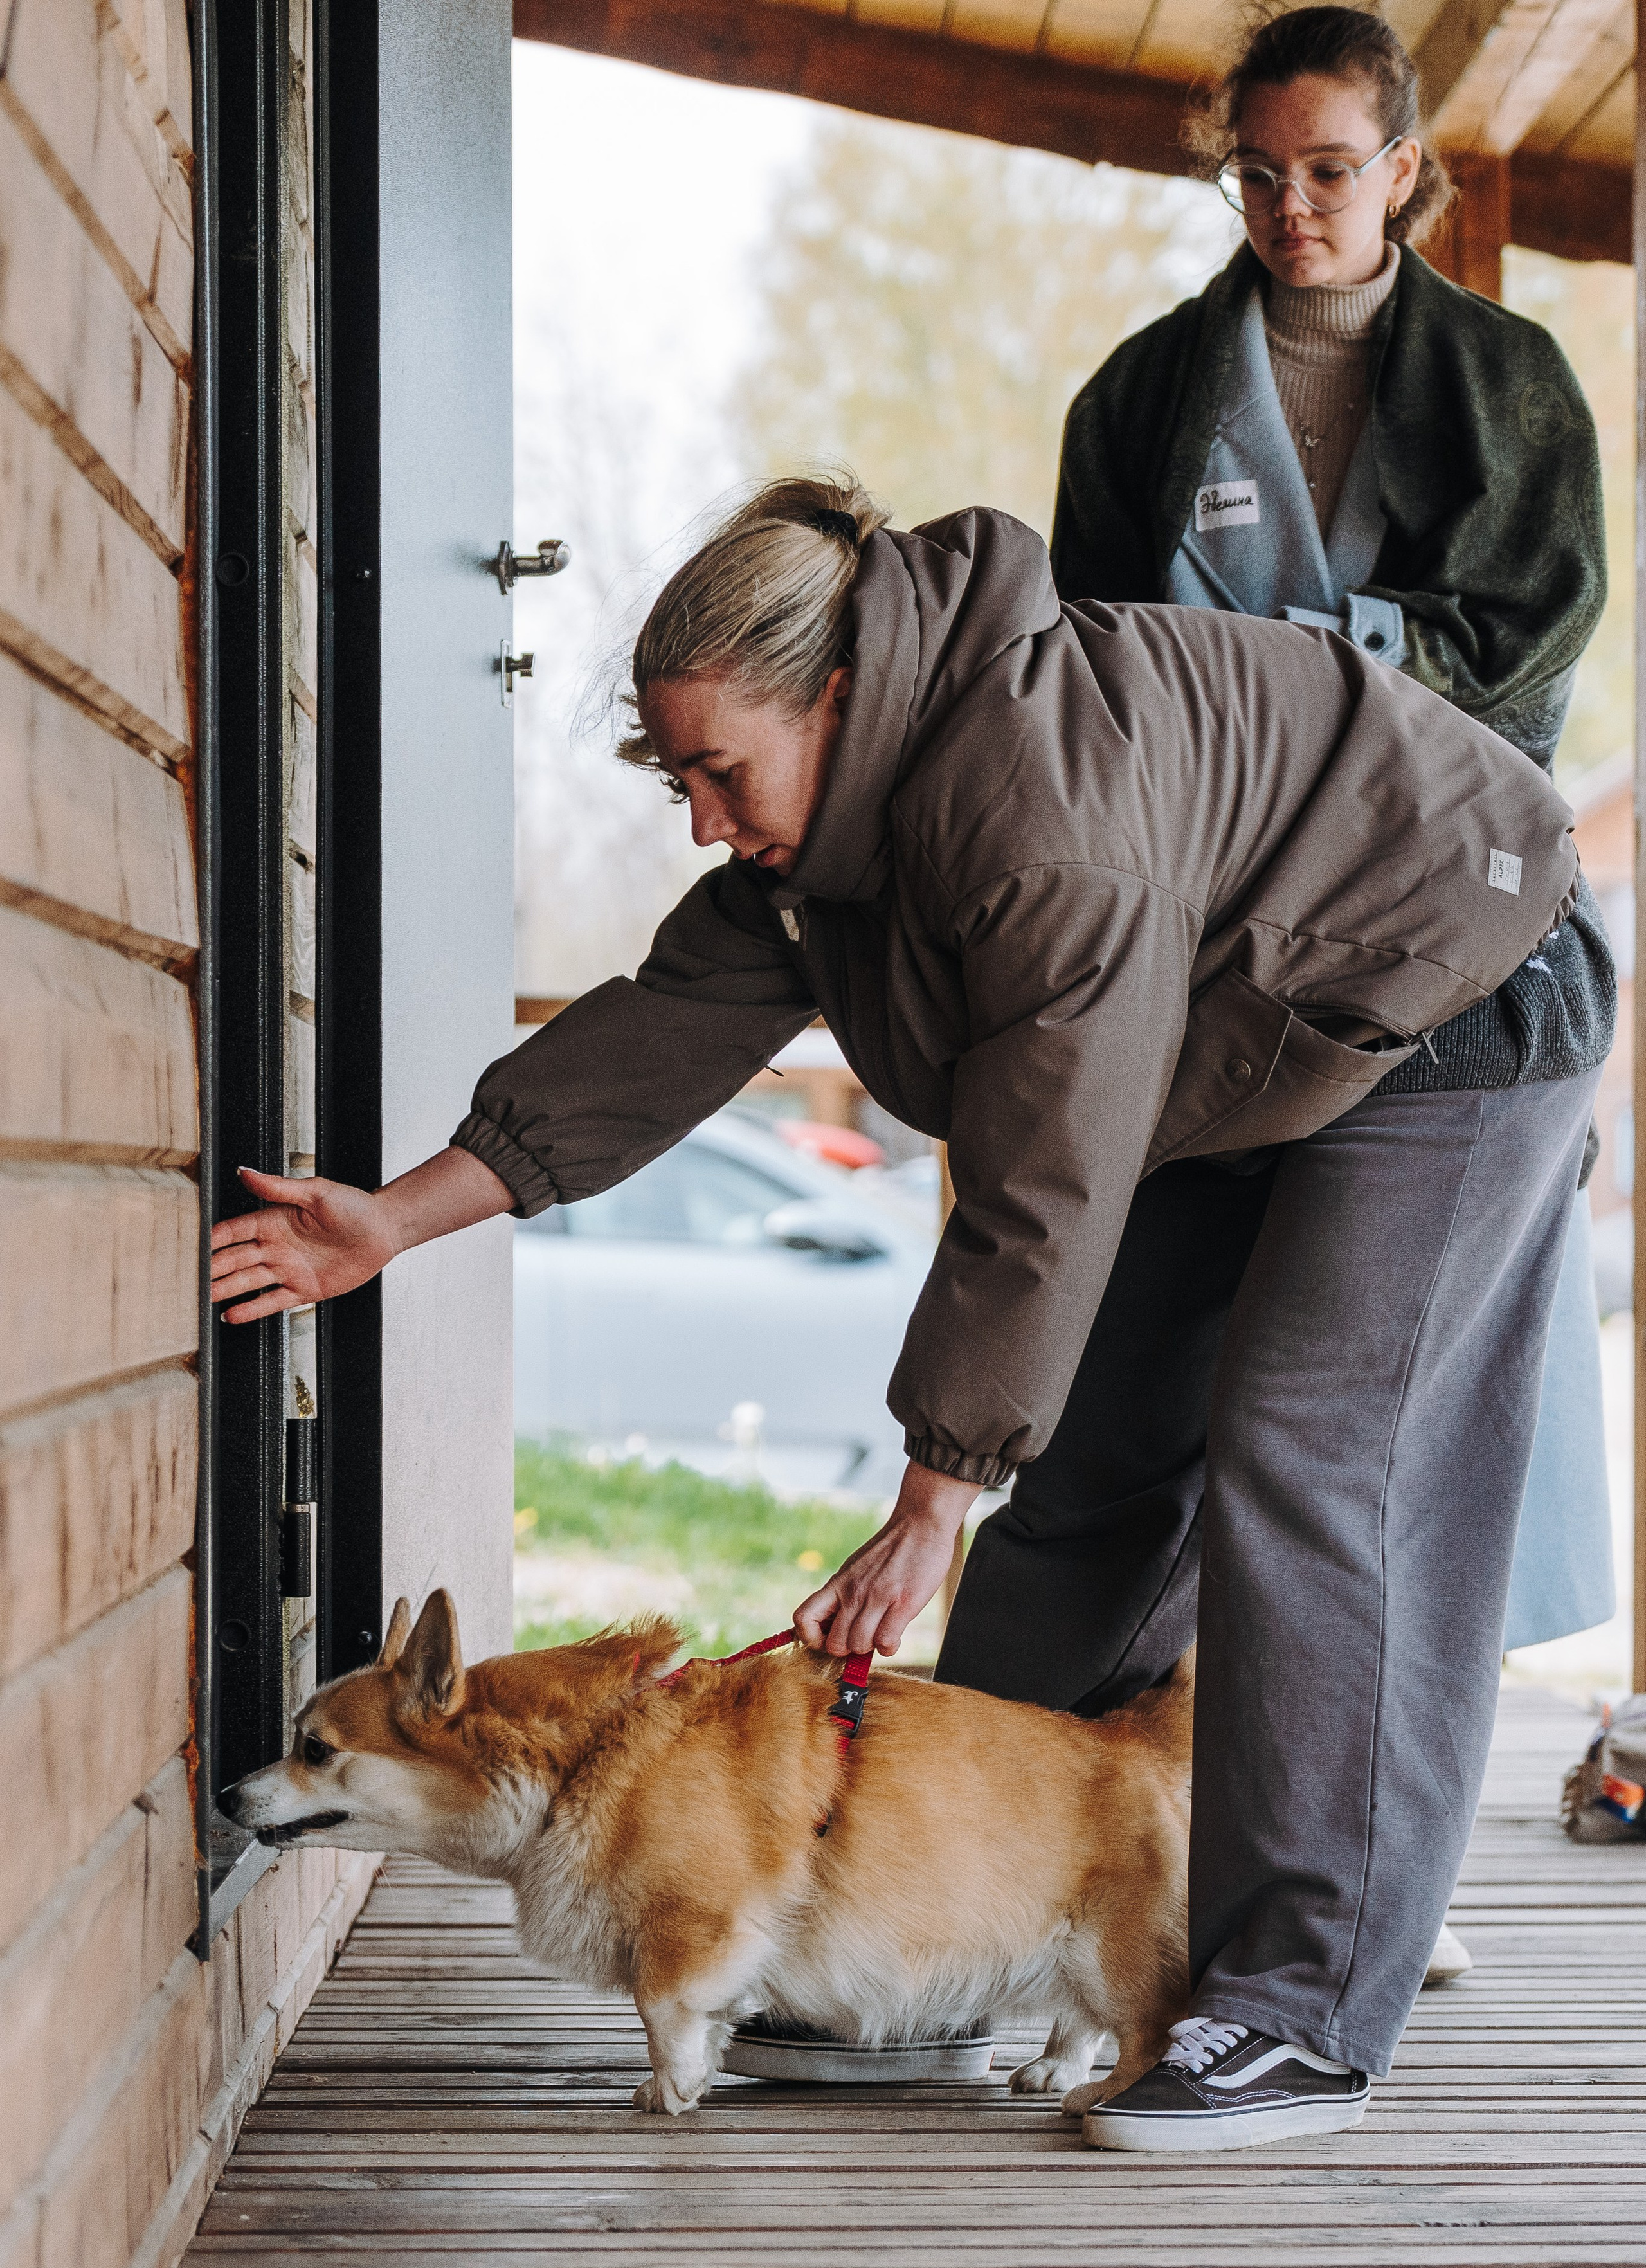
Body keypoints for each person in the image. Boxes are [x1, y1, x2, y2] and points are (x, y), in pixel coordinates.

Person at [212, 473, 1601, 2152]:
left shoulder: (1037, 812)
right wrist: (394, 1222)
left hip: (1456, 985)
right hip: (1241, 1036)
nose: (708, 820)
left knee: (1313, 1469)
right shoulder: (837, 841)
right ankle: (940, 1956)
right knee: (1085, 1483)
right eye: (677, 779)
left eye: (723, 770)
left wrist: (935, 1489)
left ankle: (1298, 2010)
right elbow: (659, 1029)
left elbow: (1041, 1181)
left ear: (842, 695)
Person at [1001, 6, 1617, 1842]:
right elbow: (1094, 694)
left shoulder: (1513, 387)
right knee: (1123, 1409)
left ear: (1404, 171)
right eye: (1256, 175)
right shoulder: (1135, 397)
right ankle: (1007, 1835)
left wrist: (1289, 669)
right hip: (1207, 958)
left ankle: (1335, 1873)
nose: (1291, 208)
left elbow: (1525, 669)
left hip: (1445, 962)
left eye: (1329, 172)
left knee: (1365, 1442)